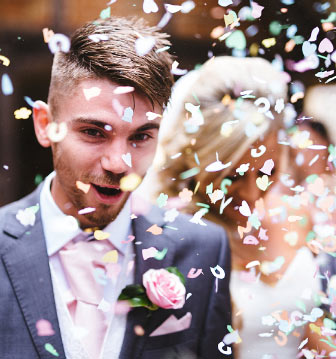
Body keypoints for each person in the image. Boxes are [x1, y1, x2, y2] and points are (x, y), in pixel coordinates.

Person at [0, 17, 232, 359]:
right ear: (45, 125)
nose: (119, 163)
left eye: (140, 136)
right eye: (94, 132)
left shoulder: (203, 249)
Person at [155, 56, 323, 358]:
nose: (250, 195)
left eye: (266, 172)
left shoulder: (295, 215)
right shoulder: (176, 236)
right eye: (231, 176)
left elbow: (307, 327)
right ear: (198, 163)